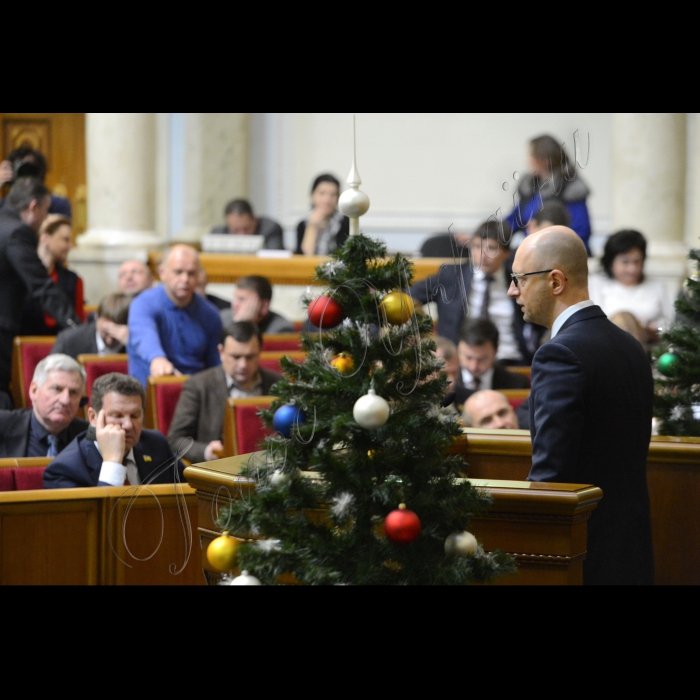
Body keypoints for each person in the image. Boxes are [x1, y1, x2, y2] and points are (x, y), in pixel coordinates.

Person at [508, 224, 654, 585]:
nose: (513, 291)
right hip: (632, 547)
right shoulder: (630, 346)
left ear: (556, 282)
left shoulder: (559, 354)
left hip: (581, 555)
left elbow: (551, 477)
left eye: (520, 279)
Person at [410, 219, 546, 363]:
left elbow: (540, 321)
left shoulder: (518, 281)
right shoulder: (451, 276)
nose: (483, 254)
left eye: (491, 248)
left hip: (509, 360)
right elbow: (407, 297)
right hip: (461, 363)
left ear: (506, 253)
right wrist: (422, 334)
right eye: (476, 247)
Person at [0, 177, 81, 403]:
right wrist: (76, 327)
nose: (44, 219)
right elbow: (41, 286)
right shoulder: (18, 232)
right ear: (33, 207)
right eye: (45, 211)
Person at [43, 372, 186, 488]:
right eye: (117, 416)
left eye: (135, 415)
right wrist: (112, 463)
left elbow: (190, 492)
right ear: (93, 417)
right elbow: (102, 521)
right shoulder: (64, 470)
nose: (128, 425)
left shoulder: (156, 444)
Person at [168, 322, 282, 463]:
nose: (243, 365)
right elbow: (176, 439)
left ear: (260, 352)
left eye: (250, 357)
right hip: (219, 468)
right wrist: (206, 451)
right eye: (235, 357)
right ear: (221, 352)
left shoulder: (278, 384)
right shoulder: (199, 386)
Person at [127, 244, 223, 387]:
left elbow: (215, 365)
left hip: (194, 394)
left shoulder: (210, 314)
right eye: (178, 272)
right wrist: (158, 359)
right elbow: (144, 337)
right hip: (148, 392)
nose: (185, 279)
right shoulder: (143, 304)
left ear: (198, 276)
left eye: (191, 273)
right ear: (162, 273)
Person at [505, 134, 592, 255]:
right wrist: (489, 235)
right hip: (530, 252)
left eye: (531, 156)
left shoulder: (570, 188)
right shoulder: (530, 186)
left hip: (560, 254)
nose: (528, 161)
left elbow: (580, 231)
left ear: (544, 159)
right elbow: (513, 221)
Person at [588, 229, 674, 346]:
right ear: (610, 262)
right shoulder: (596, 284)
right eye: (625, 262)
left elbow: (671, 325)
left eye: (637, 262)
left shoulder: (656, 287)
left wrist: (655, 331)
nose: (632, 269)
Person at [0, 354, 88, 458]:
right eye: (57, 389)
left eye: (73, 392)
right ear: (34, 390)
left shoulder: (90, 436)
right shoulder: (3, 426)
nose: (65, 400)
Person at [20, 214, 86, 336]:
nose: (70, 246)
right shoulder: (20, 277)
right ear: (45, 238)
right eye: (65, 239)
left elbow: (78, 326)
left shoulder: (74, 280)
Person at [456, 318, 530, 393]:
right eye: (468, 358)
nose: (474, 366)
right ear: (458, 350)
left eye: (482, 359)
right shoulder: (446, 383)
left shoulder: (516, 384)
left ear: (495, 351)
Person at [52, 292, 131, 358]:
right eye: (106, 331)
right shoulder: (69, 341)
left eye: (116, 331)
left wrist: (131, 344)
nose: (110, 338)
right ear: (96, 318)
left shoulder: (134, 343)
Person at [0, 147, 72, 218]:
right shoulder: (4, 206)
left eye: (30, 170)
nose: (26, 178)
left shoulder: (57, 204)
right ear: (11, 175)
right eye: (22, 171)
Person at [221, 274, 295, 335]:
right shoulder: (223, 319)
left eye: (242, 299)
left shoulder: (281, 329)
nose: (234, 305)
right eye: (235, 298)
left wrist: (245, 325)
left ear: (264, 307)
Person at [296, 173, 350, 256]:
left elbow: (345, 255)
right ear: (312, 195)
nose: (327, 199)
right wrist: (312, 226)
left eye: (332, 195)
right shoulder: (302, 225)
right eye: (322, 193)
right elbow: (303, 257)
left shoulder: (345, 222)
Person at [211, 198, 285, 250]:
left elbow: (275, 257)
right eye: (236, 230)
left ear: (254, 220)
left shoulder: (271, 229)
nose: (241, 235)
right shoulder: (218, 233)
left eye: (246, 229)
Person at [433, 336, 470, 413]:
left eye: (455, 373)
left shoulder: (469, 400)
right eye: (443, 374)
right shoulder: (406, 406)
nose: (451, 382)